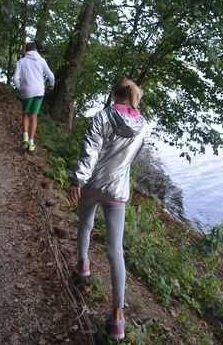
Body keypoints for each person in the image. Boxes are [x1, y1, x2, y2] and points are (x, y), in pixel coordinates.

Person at [67, 79, 146, 340]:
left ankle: (83, 266)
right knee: (116, 251)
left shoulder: (102, 117)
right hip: (117, 192)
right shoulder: (142, 125)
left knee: (85, 225)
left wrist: (78, 179)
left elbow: (90, 151)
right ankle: (117, 320)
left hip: (91, 186)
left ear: (113, 95)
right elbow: (130, 159)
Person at [13, 41, 55, 152]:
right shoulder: (41, 61)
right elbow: (51, 75)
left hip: (27, 91)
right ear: (36, 50)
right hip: (39, 91)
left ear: (26, 51)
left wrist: (20, 88)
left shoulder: (21, 62)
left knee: (25, 114)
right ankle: (31, 144)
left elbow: (15, 78)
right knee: (34, 116)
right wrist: (51, 85)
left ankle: (25, 136)